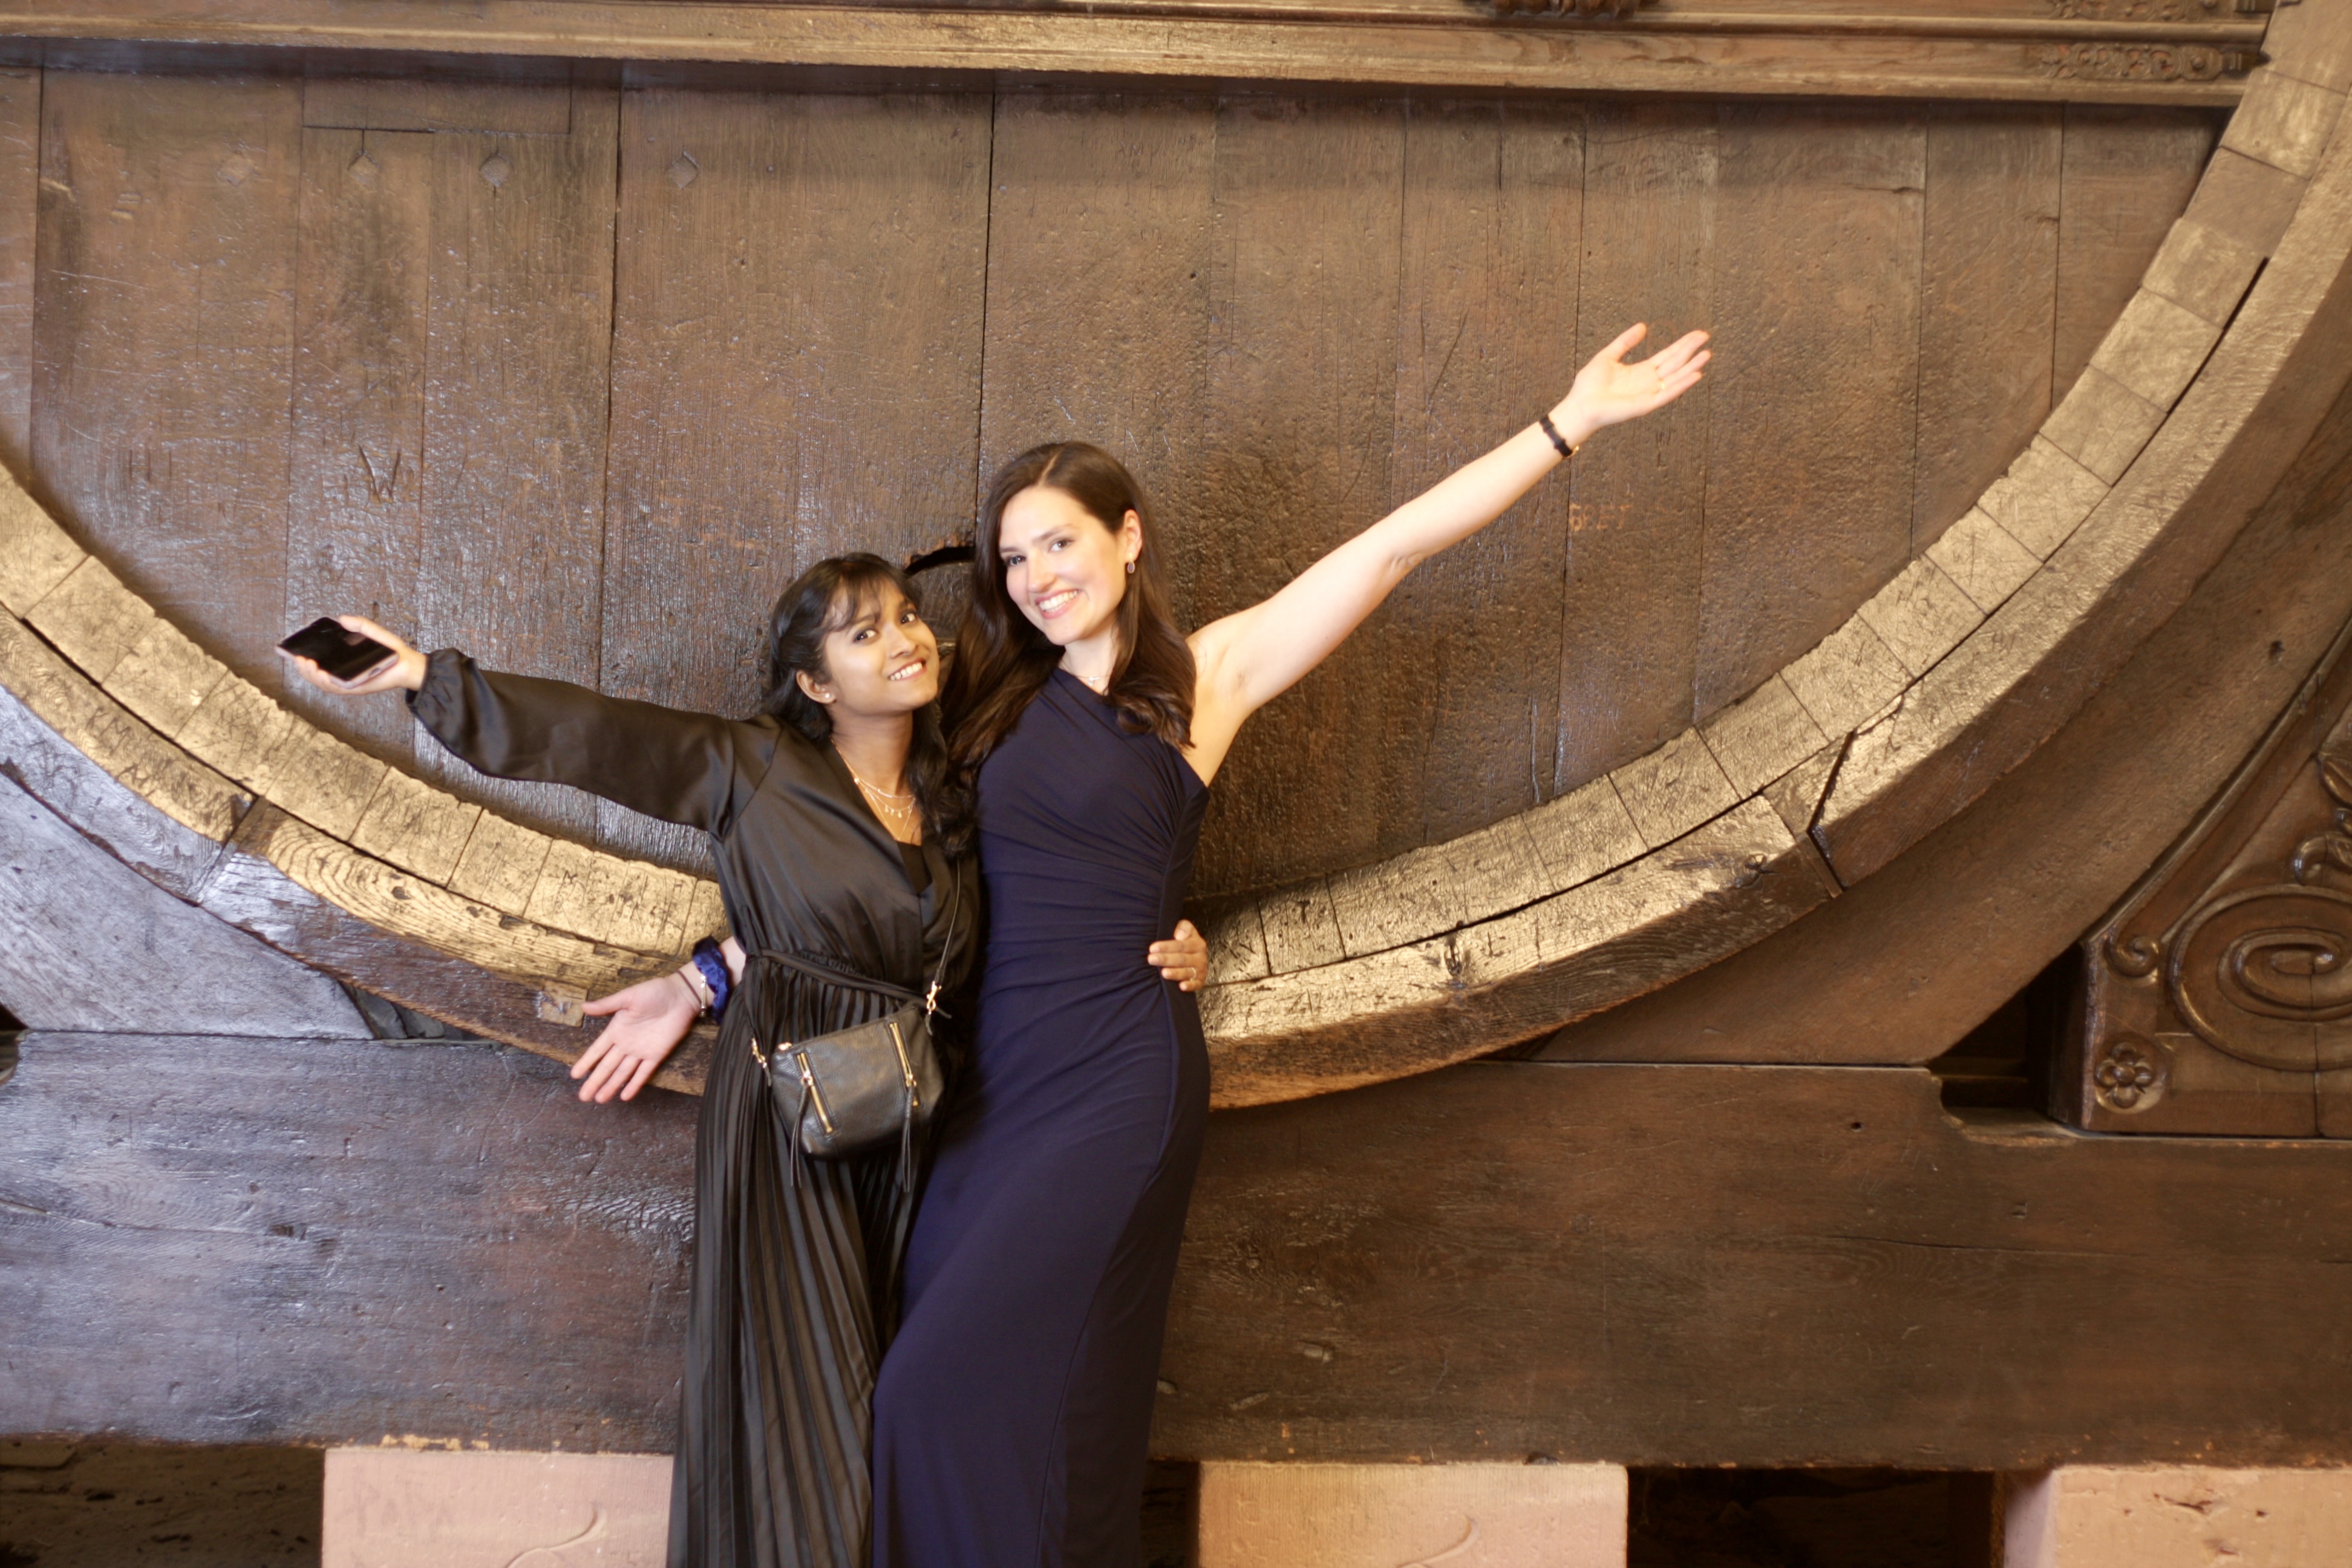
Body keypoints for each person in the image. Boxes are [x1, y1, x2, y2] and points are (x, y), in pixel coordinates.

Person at [877, 321, 1709, 1568]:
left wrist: (1570, 422)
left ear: (1128, 538)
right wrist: (704, 976)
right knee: (946, 1399)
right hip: (993, 1088)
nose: (1040, 575)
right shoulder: (987, 697)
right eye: (1015, 557)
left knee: (973, 1390)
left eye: (1062, 542)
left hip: (1113, 1084)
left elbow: (1390, 552)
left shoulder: (1203, 680)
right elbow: (847, 814)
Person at [283, 553, 1211, 1568]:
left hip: (925, 1136)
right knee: (810, 1420)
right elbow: (601, 739)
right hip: (793, 1129)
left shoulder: (956, 791)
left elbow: (1046, 894)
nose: (906, 641)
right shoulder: (756, 765)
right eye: (865, 633)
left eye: (909, 617)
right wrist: (427, 679)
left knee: (904, 1407)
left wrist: (1174, 936)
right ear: (815, 681)